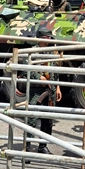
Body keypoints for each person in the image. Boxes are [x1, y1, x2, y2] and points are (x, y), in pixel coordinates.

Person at [23, 27, 62, 158]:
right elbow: (25, 68)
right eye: (47, 37)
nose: (50, 39)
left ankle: (42, 146)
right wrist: (38, 77)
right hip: (36, 90)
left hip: (49, 90)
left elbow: (55, 71)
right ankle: (26, 148)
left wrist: (58, 87)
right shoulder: (32, 52)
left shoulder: (52, 52)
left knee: (47, 120)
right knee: (32, 119)